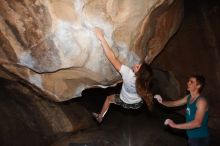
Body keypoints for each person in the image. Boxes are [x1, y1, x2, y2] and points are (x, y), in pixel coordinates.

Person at [92, 27, 153, 123]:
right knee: (143, 94)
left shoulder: (128, 73)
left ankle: (100, 117)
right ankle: (100, 117)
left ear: (138, 73)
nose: (136, 65)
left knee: (108, 99)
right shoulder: (144, 81)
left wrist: (101, 37)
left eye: (138, 67)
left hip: (123, 101)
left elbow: (112, 58)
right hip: (137, 104)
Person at [154, 75, 209, 146]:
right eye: (188, 81)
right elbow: (174, 103)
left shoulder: (201, 101)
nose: (188, 83)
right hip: (191, 137)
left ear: (198, 86)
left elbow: (197, 123)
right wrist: (161, 101)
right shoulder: (188, 97)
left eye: (191, 82)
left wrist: (174, 125)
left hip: (200, 138)